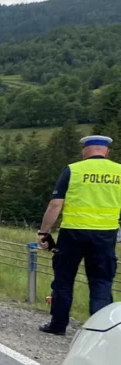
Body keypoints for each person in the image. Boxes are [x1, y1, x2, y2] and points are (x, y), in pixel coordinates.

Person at [38, 135, 121, 335]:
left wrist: (44, 232)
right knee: (101, 282)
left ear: (85, 151)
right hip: (105, 236)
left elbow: (55, 204)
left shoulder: (73, 170)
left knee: (64, 280)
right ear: (106, 152)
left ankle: (58, 326)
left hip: (72, 235)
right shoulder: (119, 172)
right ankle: (100, 333)